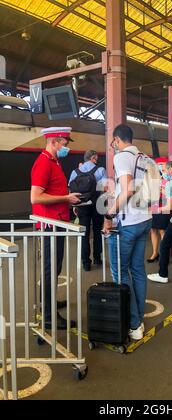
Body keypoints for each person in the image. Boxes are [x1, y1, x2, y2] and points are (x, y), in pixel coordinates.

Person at [103, 124, 152, 341]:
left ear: (117, 140)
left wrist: (109, 215)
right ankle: (138, 317)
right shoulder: (144, 157)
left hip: (129, 223)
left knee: (121, 273)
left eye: (113, 142)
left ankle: (133, 323)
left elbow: (129, 189)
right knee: (138, 271)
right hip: (145, 220)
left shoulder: (122, 157)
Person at [30, 127, 81, 330]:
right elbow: (35, 197)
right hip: (50, 225)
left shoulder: (53, 161)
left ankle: (48, 303)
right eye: (65, 144)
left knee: (53, 267)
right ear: (54, 141)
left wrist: (69, 202)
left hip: (56, 221)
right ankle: (50, 316)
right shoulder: (43, 163)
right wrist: (65, 198)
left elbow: (51, 192)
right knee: (51, 269)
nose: (66, 148)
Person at [69, 150, 107, 271]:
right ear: (94, 158)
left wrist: (75, 206)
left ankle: (86, 262)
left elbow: (71, 190)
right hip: (97, 205)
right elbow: (105, 188)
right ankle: (97, 258)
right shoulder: (100, 170)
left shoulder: (75, 172)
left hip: (82, 206)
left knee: (84, 234)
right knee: (97, 232)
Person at [147, 157, 171, 263]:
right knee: (153, 229)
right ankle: (155, 252)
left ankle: (164, 253)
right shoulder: (153, 177)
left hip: (165, 202)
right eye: (158, 164)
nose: (160, 167)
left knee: (162, 229)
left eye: (162, 164)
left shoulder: (169, 177)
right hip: (154, 201)